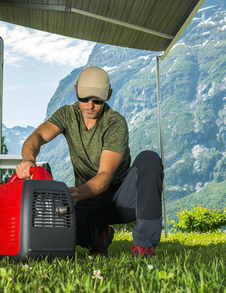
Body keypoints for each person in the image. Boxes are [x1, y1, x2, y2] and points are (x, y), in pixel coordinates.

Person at [15, 66, 164, 257]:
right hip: (89, 199)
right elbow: (37, 136)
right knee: (51, 224)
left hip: (121, 200)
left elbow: (104, 176)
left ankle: (144, 245)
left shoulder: (115, 122)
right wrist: (28, 160)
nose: (89, 105)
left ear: (109, 95)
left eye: (97, 100)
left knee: (149, 159)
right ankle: (98, 236)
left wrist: (77, 193)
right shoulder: (67, 115)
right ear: (76, 90)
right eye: (84, 98)